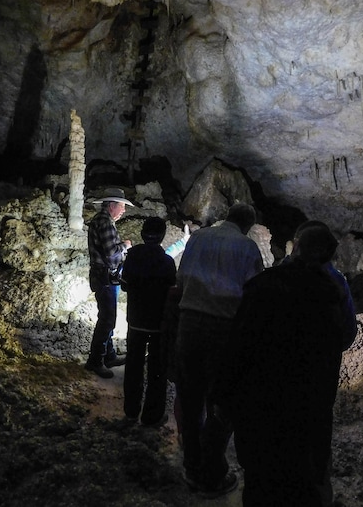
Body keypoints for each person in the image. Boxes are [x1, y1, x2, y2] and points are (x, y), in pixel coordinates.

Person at [218, 222, 354, 507]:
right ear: (328, 256)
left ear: (296, 249)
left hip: (262, 402)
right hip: (310, 404)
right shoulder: (334, 290)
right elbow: (346, 336)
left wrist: (224, 394)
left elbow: (238, 343)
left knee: (260, 480)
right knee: (307, 481)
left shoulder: (263, 284)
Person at [175, 203, 264, 498]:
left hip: (189, 323)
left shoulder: (199, 237)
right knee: (222, 401)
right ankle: (211, 471)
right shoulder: (248, 247)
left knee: (190, 396)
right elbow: (253, 294)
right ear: (247, 225)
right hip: (224, 330)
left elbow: (181, 278)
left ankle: (191, 463)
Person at [120, 217, 177, 426]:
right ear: (162, 236)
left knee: (133, 366)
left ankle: (131, 411)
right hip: (158, 324)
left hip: (135, 320)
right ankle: (152, 416)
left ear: (143, 234)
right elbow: (172, 291)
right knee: (157, 370)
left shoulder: (133, 255)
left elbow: (124, 284)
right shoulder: (167, 262)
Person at [85, 187, 133, 379]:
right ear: (112, 206)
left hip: (103, 276)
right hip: (105, 277)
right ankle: (95, 361)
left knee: (108, 317)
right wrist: (126, 246)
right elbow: (111, 253)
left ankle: (109, 356)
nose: (124, 210)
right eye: (122, 206)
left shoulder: (102, 221)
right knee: (107, 319)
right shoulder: (105, 223)